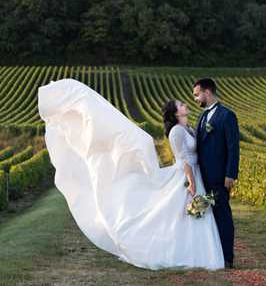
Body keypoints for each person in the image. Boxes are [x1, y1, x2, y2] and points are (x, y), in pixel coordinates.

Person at [38, 78, 225, 271]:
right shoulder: (176, 132)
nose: (186, 104)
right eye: (180, 104)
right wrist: (191, 181)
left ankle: (195, 252)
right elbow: (184, 159)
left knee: (189, 216)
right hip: (186, 177)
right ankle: (187, 253)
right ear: (176, 113)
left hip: (194, 174)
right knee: (184, 215)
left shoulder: (189, 128)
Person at [193, 78, 240, 269]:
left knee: (222, 214)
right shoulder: (202, 117)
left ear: (207, 92)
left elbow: (233, 147)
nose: (195, 98)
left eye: (197, 94)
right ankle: (208, 254)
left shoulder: (227, 116)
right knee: (201, 215)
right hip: (201, 179)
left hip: (219, 178)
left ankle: (227, 257)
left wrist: (231, 174)